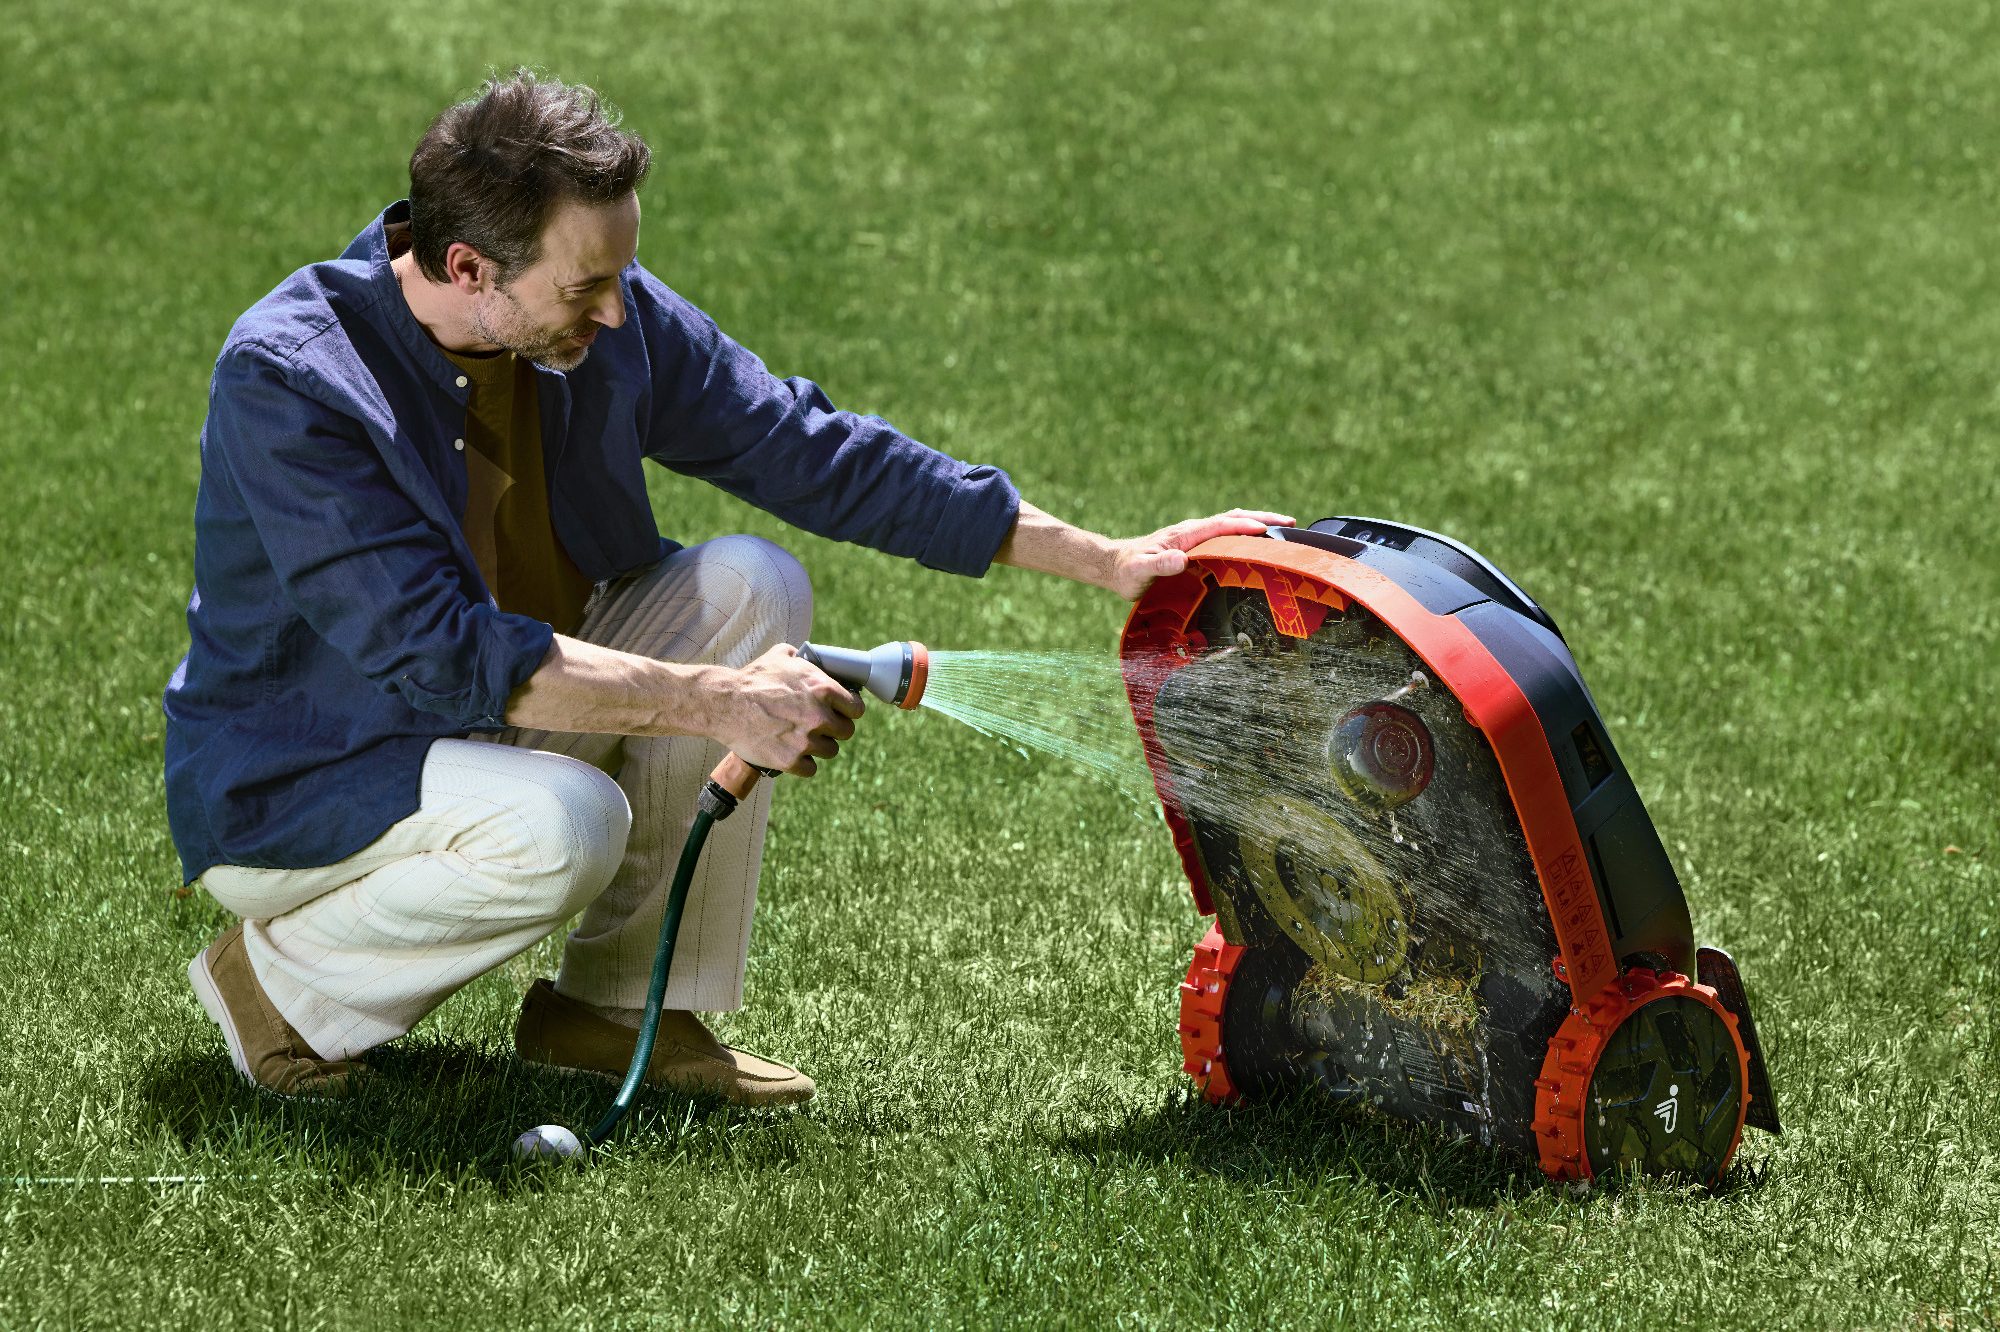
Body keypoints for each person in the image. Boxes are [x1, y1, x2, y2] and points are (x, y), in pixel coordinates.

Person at [164, 70, 1290, 1104]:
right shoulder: (293, 381)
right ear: (469, 269)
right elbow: (443, 651)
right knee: (567, 825)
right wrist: (720, 703)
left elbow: (803, 447)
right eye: (587, 285)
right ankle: (279, 988)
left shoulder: (593, 322)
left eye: (621, 275)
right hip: (318, 778)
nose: (616, 313)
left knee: (749, 583)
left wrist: (1104, 558)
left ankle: (617, 1013)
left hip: (499, 712)